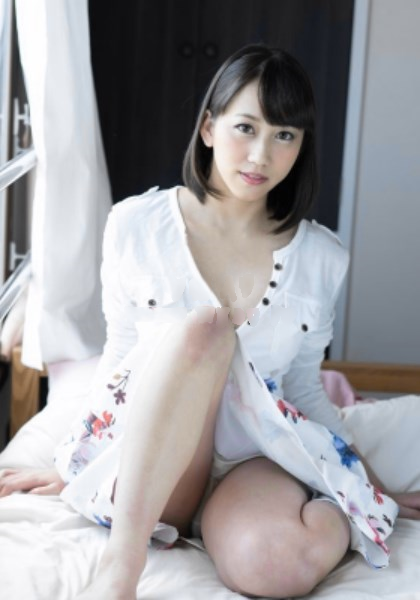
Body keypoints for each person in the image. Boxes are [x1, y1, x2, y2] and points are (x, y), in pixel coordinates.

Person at [1, 44, 420, 600]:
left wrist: (366, 487)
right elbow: (121, 360)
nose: (261, 154)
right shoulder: (136, 225)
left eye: (284, 135)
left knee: (279, 566)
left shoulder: (322, 258)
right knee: (205, 331)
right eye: (246, 127)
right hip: (160, 458)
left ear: (301, 146)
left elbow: (302, 390)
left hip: (254, 459)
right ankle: (120, 571)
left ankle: (323, 515)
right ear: (208, 128)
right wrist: (78, 464)